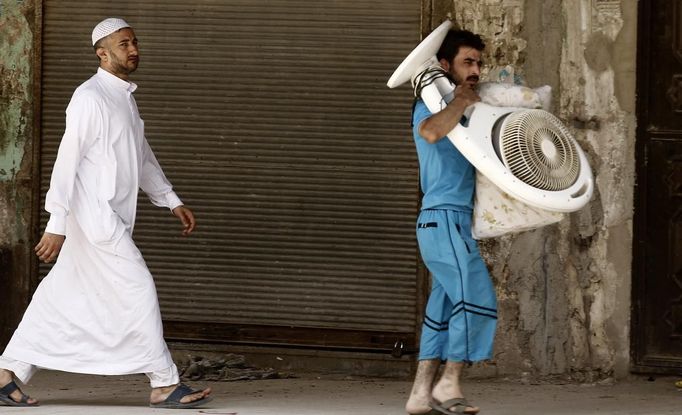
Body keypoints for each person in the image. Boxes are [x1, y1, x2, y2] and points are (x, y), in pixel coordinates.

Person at [0, 18, 212, 409]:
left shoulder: (124, 99)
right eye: (123, 44)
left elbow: (141, 155)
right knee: (138, 288)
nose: (133, 49)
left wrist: (170, 199)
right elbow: (68, 161)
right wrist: (57, 221)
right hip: (94, 219)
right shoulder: (90, 97)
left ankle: (5, 373)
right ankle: (163, 382)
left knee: (61, 294)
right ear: (102, 52)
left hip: (106, 219)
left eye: (134, 42)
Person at [404, 29, 496, 415]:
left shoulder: (461, 106)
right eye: (467, 62)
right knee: (477, 298)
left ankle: (420, 394)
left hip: (450, 222)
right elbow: (429, 132)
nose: (475, 70)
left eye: (478, 62)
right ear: (445, 65)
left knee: (443, 306)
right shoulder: (431, 105)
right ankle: (449, 383)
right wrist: (459, 101)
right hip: (443, 219)